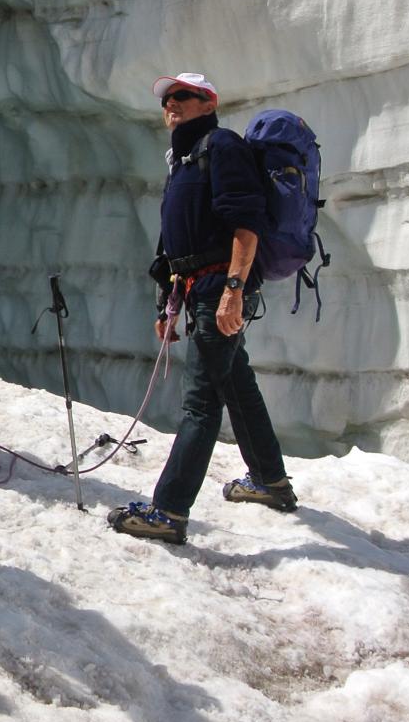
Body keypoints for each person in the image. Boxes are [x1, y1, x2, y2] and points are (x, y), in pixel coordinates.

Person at [108, 72, 297, 546]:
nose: (171, 103)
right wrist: (166, 303)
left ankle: (169, 511)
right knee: (235, 381)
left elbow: (245, 224)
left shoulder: (222, 146)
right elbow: (177, 241)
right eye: (167, 98)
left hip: (221, 289)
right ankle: (270, 481)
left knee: (201, 401)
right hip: (198, 289)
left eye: (183, 96)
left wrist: (234, 289)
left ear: (208, 101)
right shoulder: (186, 159)